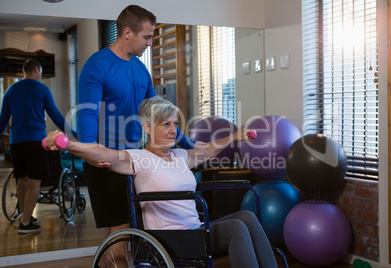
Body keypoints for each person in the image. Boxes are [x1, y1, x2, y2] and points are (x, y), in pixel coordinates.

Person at [45, 96, 279, 268]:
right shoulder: (138, 158)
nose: (173, 130)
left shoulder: (179, 155)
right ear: (146, 127)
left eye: (175, 124)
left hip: (195, 229)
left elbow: (207, 150)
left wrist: (236, 136)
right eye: (165, 124)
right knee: (236, 227)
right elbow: (103, 153)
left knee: (247, 217)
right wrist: (69, 144)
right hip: (172, 238)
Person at [78, 4, 198, 237]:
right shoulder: (97, 65)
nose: (150, 42)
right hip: (106, 159)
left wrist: (189, 145)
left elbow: (159, 113)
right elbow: (87, 113)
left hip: (136, 158)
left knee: (138, 226)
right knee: (121, 227)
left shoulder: (140, 70)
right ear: (127, 33)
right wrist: (91, 151)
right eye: (147, 37)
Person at [0, 59, 77, 234]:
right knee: (35, 181)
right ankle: (26, 223)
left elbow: (2, 120)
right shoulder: (42, 89)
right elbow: (56, 116)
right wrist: (72, 132)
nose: (40, 76)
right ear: (36, 69)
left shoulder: (10, 91)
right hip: (36, 141)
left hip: (16, 142)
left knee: (22, 179)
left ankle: (24, 215)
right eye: (40, 73)